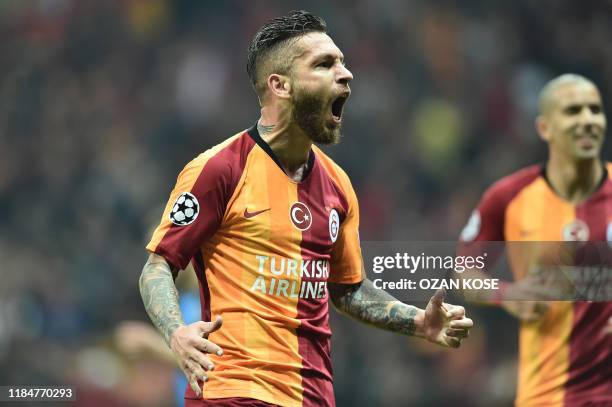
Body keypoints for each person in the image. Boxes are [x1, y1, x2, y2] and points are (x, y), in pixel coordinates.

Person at [140, 10, 473, 407]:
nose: (345, 74)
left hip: (314, 397)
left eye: (343, 62)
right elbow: (158, 266)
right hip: (235, 392)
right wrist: (176, 332)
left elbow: (347, 289)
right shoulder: (219, 169)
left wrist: (415, 321)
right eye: (324, 64)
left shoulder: (338, 186)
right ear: (280, 85)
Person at [459, 74, 612, 406]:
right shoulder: (508, 197)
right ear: (545, 128)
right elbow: (463, 273)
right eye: (573, 111)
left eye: (594, 110)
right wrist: (507, 294)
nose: (587, 120)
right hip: (547, 394)